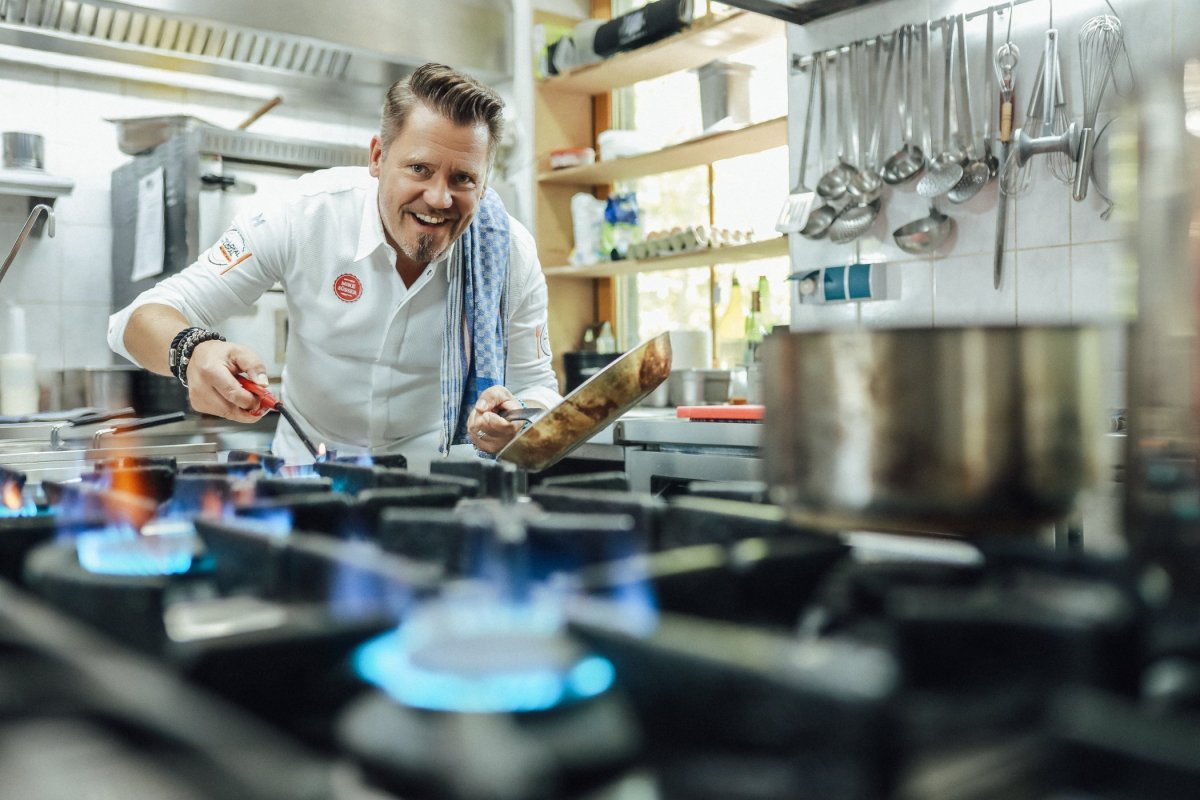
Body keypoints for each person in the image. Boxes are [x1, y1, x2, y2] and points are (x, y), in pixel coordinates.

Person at [107, 63, 562, 471]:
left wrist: (515, 421)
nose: (440, 199)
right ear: (378, 158)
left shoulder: (508, 254)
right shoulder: (302, 215)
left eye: (463, 178)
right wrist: (194, 353)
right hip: (306, 476)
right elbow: (138, 318)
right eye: (420, 169)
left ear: (484, 185)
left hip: (440, 484)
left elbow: (539, 390)